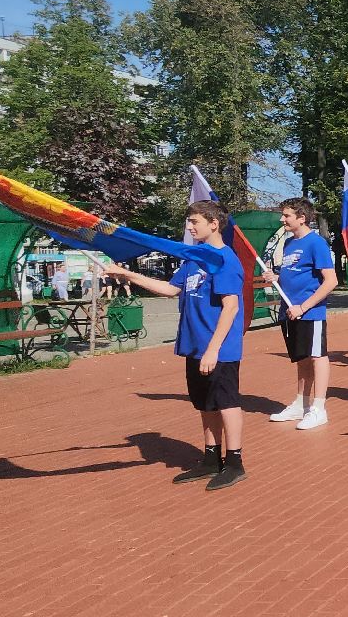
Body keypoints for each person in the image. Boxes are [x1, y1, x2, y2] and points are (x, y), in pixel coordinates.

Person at [98, 201, 248, 490]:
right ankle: (211, 458)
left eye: (194, 222)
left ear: (213, 224)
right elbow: (170, 289)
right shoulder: (193, 259)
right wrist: (128, 275)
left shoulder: (224, 260)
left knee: (226, 403)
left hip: (218, 348)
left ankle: (235, 462)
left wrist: (213, 349)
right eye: (189, 222)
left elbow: (231, 307)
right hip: (195, 345)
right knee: (205, 404)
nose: (189, 228)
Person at [266, 197, 339, 431]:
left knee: (318, 356)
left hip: (310, 312)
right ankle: (301, 403)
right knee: (302, 359)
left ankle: (319, 408)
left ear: (301, 218)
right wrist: (275, 278)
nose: (282, 219)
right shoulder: (288, 244)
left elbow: (331, 281)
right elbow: (293, 275)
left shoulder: (316, 243)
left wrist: (304, 306)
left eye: (287, 215)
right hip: (290, 312)